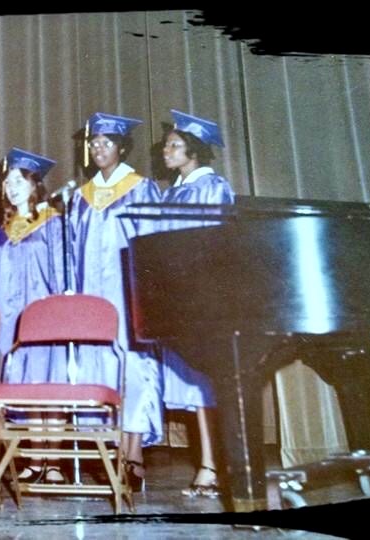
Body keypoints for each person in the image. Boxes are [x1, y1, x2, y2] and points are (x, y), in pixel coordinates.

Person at [70, 113, 164, 491]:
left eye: (107, 142)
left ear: (122, 147)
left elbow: (153, 245)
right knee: (101, 369)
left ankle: (134, 453)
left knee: (134, 370)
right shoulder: (81, 197)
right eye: (94, 143)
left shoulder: (140, 188)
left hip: (129, 297)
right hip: (92, 298)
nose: (98, 148)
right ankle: (108, 452)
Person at [158, 109, 235, 498]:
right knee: (192, 389)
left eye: (174, 145)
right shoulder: (171, 190)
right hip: (177, 296)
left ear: (194, 151)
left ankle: (213, 465)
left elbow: (217, 244)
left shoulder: (213, 187)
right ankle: (209, 464)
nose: (166, 150)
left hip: (203, 298)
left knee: (206, 386)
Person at [0, 148, 67, 483]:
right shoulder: (4, 228)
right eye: (8, 182)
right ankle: (35, 457)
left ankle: (54, 461)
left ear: (34, 184)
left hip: (44, 313)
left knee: (49, 384)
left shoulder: (52, 221)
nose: (12, 186)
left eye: (19, 180)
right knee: (27, 386)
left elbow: (62, 273)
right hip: (12, 316)